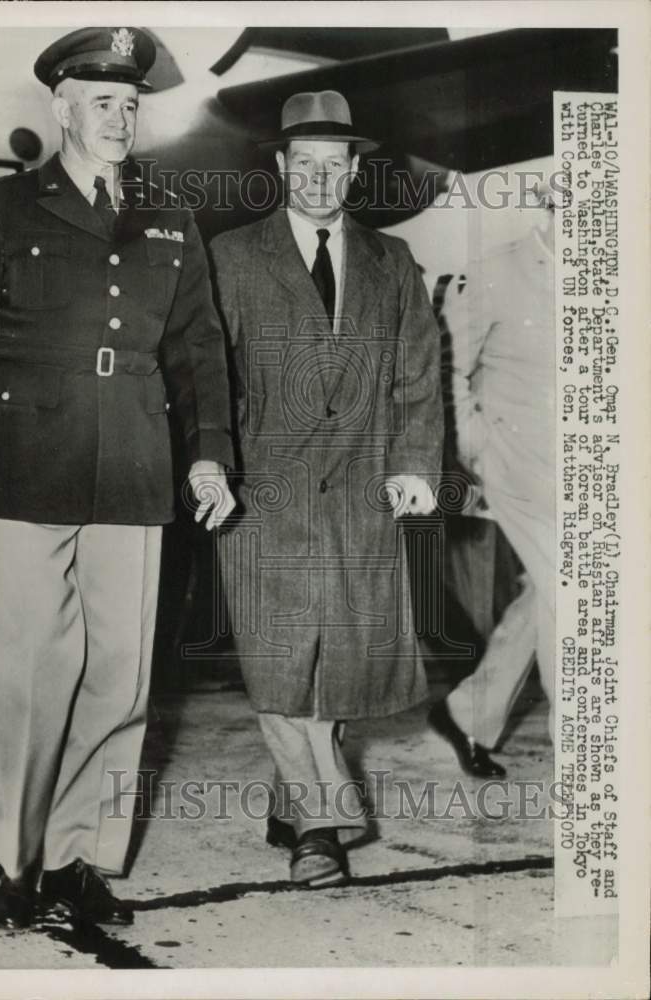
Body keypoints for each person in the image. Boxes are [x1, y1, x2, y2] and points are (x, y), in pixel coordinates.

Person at [0, 27, 234, 930]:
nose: (120, 117)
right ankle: (17, 865)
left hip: (136, 468)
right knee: (28, 673)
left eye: (132, 104)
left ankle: (76, 861)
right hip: (27, 465)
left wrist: (208, 451)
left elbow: (197, 349)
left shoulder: (171, 217)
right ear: (61, 107)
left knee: (119, 680)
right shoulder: (3, 208)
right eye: (102, 102)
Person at [209, 91, 443, 888]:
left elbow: (417, 375)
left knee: (336, 663)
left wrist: (414, 465)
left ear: (352, 173)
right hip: (259, 490)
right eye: (301, 164)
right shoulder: (230, 257)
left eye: (331, 166)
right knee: (277, 661)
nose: (316, 179)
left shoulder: (393, 263)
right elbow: (207, 378)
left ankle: (291, 800)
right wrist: (209, 464)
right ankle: (322, 824)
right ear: (278, 168)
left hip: (360, 489)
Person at [429, 187, 556, 776]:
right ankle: (586, 750)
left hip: (579, 468)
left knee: (551, 591)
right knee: (579, 592)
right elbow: (447, 370)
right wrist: (472, 448)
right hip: (513, 465)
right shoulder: (496, 272)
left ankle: (467, 713)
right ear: (553, 204)